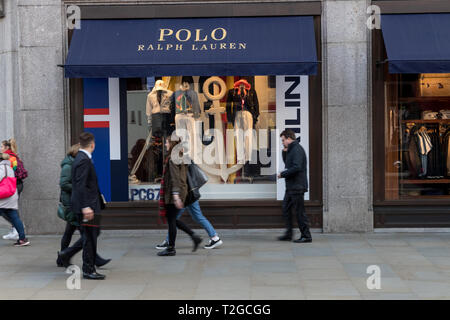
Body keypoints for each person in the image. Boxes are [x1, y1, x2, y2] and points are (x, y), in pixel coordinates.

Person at [56, 144, 111, 269]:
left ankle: (65, 256)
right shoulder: (70, 165)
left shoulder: (78, 163)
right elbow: (64, 184)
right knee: (89, 233)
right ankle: (66, 255)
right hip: (75, 204)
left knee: (80, 232)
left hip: (78, 203)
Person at [157, 135, 202, 256]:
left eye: (166, 142)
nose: (165, 145)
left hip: (173, 193)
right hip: (181, 191)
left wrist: (176, 195)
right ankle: (193, 237)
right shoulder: (181, 156)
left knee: (171, 220)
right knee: (172, 219)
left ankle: (171, 248)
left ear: (172, 144)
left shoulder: (173, 158)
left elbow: (175, 178)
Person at [70, 132, 106, 280]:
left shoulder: (81, 158)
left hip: (89, 206)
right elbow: (81, 185)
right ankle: (88, 269)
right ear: (92, 144)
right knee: (90, 239)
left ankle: (88, 267)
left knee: (90, 237)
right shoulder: (83, 160)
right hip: (88, 207)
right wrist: (86, 207)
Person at [277, 129, 312, 243]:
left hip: (297, 186)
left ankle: (306, 236)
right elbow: (287, 163)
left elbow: (296, 167)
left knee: (299, 211)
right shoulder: (291, 149)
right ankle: (289, 234)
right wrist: (284, 151)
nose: (282, 142)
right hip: (292, 186)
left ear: (288, 138)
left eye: (283, 140)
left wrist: (282, 174)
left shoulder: (297, 149)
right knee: (286, 208)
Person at [155, 199, 223, 250]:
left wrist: (176, 197)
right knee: (198, 217)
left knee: (173, 219)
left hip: (184, 197)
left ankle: (168, 241)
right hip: (191, 195)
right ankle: (215, 238)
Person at [0, 153, 29, 246]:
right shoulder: (10, 168)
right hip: (11, 196)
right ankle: (22, 239)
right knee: (15, 218)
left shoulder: (1, 168)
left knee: (14, 217)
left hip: (3, 197)